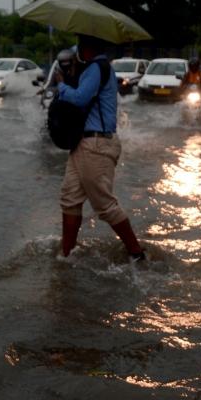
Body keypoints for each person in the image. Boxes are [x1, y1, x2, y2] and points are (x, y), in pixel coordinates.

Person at [53, 34, 145, 261]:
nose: (75, 53)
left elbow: (79, 99)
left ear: (86, 49)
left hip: (96, 144)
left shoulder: (96, 67)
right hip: (84, 144)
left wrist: (61, 85)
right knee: (70, 198)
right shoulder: (97, 69)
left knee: (104, 204)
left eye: (78, 47)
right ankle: (67, 255)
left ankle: (137, 254)